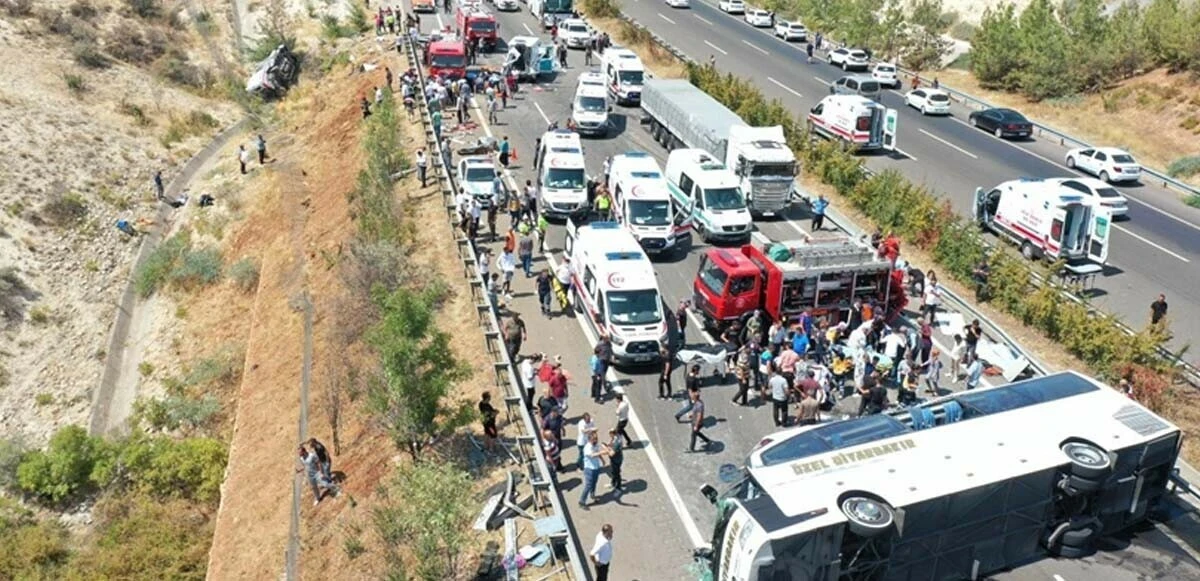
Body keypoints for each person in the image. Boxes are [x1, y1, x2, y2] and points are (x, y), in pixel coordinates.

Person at [579, 430, 603, 507]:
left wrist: (602, 459)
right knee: (588, 485)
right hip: (589, 469)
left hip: (596, 467)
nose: (596, 440)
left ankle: (592, 495)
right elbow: (592, 455)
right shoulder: (587, 447)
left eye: (596, 439)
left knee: (594, 483)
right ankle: (582, 501)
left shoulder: (596, 445)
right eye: (594, 439)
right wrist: (604, 452)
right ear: (589, 439)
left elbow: (598, 452)